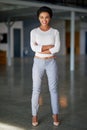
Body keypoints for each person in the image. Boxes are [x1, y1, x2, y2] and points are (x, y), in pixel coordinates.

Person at [30, 6, 60, 126]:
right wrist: (49, 47)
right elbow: (33, 48)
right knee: (36, 90)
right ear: (39, 18)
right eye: (42, 17)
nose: (44, 19)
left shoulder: (55, 32)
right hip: (38, 62)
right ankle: (34, 115)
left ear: (50, 18)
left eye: (47, 17)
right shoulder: (34, 32)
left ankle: (56, 114)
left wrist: (41, 48)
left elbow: (57, 48)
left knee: (53, 90)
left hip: (51, 62)